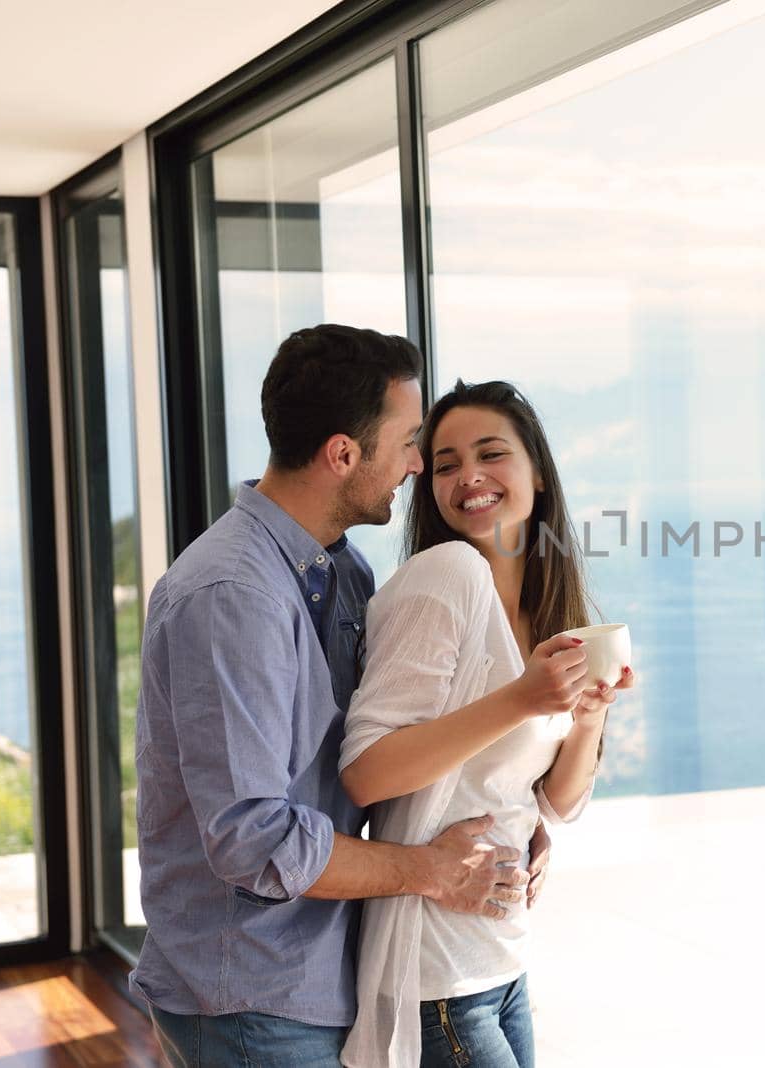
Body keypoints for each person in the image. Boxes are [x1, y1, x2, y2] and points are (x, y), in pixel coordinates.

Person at [131, 326, 540, 1067]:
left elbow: (372, 758)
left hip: (324, 973)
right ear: (343, 454)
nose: (416, 466)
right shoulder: (233, 595)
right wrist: (429, 869)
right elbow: (254, 841)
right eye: (409, 442)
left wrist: (516, 822)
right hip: (252, 995)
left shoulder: (341, 573)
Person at [339, 379, 634, 1068]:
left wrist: (586, 716)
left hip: (502, 962)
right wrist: (525, 700)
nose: (468, 475)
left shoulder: (548, 605)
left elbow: (556, 806)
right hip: (437, 972)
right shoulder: (445, 576)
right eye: (444, 464)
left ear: (537, 469)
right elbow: (365, 773)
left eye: (491, 454)